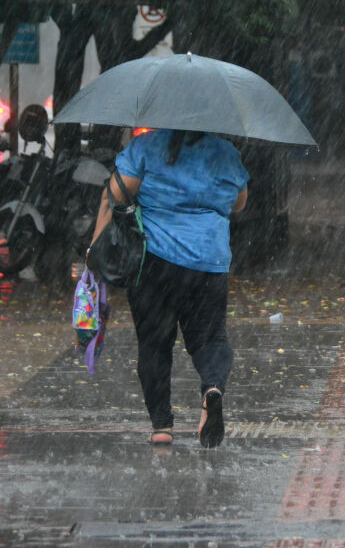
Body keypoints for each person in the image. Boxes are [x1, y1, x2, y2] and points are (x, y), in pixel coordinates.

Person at [90, 128, 249, 447]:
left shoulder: (146, 146)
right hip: (208, 261)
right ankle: (212, 388)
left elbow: (115, 195)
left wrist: (93, 252)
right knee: (210, 338)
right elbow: (239, 204)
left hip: (154, 262)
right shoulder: (225, 151)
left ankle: (162, 425)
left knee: (154, 344)